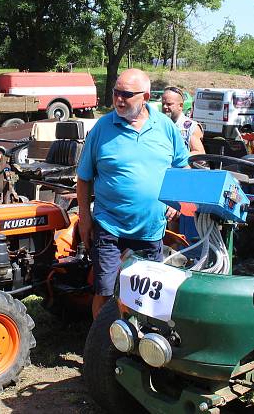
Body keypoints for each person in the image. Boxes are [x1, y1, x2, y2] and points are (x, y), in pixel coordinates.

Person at [76, 69, 189, 319]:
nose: (118, 100)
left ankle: (143, 347)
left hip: (151, 229)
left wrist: (177, 201)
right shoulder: (102, 128)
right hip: (110, 226)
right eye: (116, 92)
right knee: (105, 291)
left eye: (126, 95)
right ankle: (101, 349)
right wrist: (85, 217)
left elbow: (183, 167)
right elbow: (84, 178)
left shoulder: (165, 127)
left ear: (146, 96)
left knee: (149, 296)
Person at [161, 86, 205, 155]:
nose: (164, 107)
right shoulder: (158, 124)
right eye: (163, 104)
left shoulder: (190, 127)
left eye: (169, 104)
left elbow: (199, 153)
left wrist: (178, 158)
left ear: (180, 106)